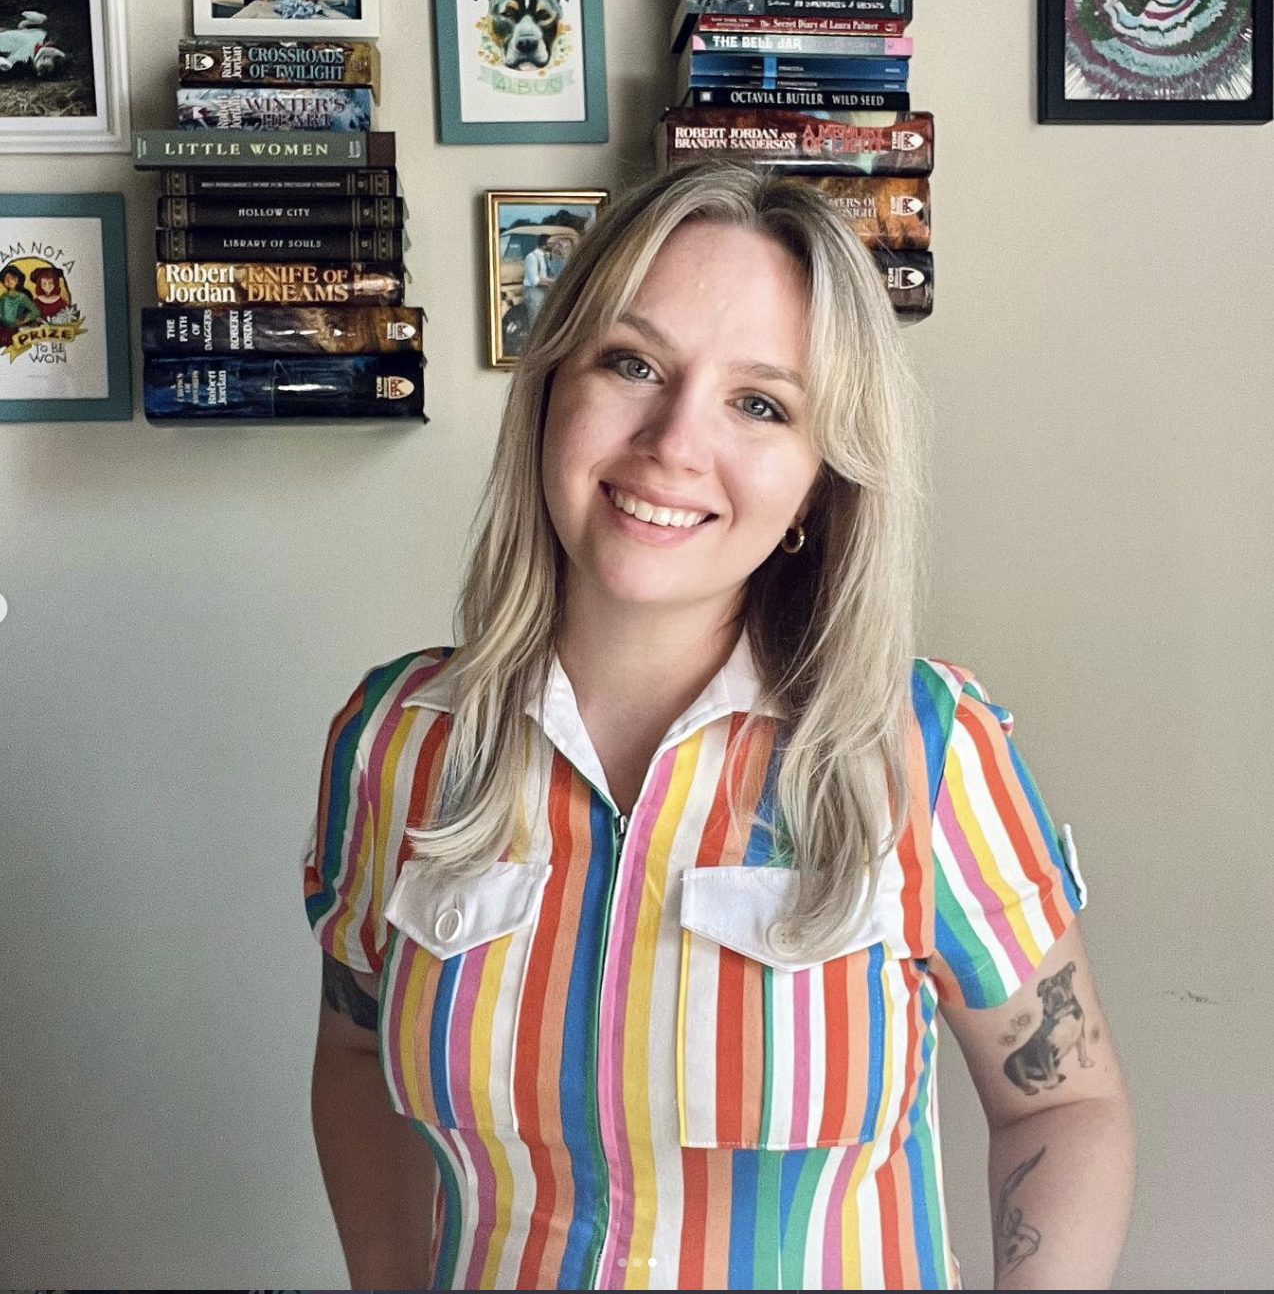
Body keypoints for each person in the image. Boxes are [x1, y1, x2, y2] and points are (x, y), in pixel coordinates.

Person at [304, 161, 1135, 1290]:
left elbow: (1063, 1102)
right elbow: (357, 1051)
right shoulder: (398, 741)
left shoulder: (924, 747)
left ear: (817, 482)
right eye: (633, 363)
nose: (674, 441)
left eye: (760, 403)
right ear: (552, 392)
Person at [0, 263, 40, 346]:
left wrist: (24, 320)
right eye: (6, 279)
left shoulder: (21, 297)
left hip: (15, 329)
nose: (9, 281)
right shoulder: (3, 297)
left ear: (18, 279)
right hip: (2, 327)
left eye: (12, 278)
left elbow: (35, 311)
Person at [519, 232, 554, 324]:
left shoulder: (547, 256)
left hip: (545, 290)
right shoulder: (532, 257)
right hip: (534, 292)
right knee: (536, 320)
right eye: (550, 244)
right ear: (544, 245)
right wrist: (554, 282)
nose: (553, 246)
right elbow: (535, 281)